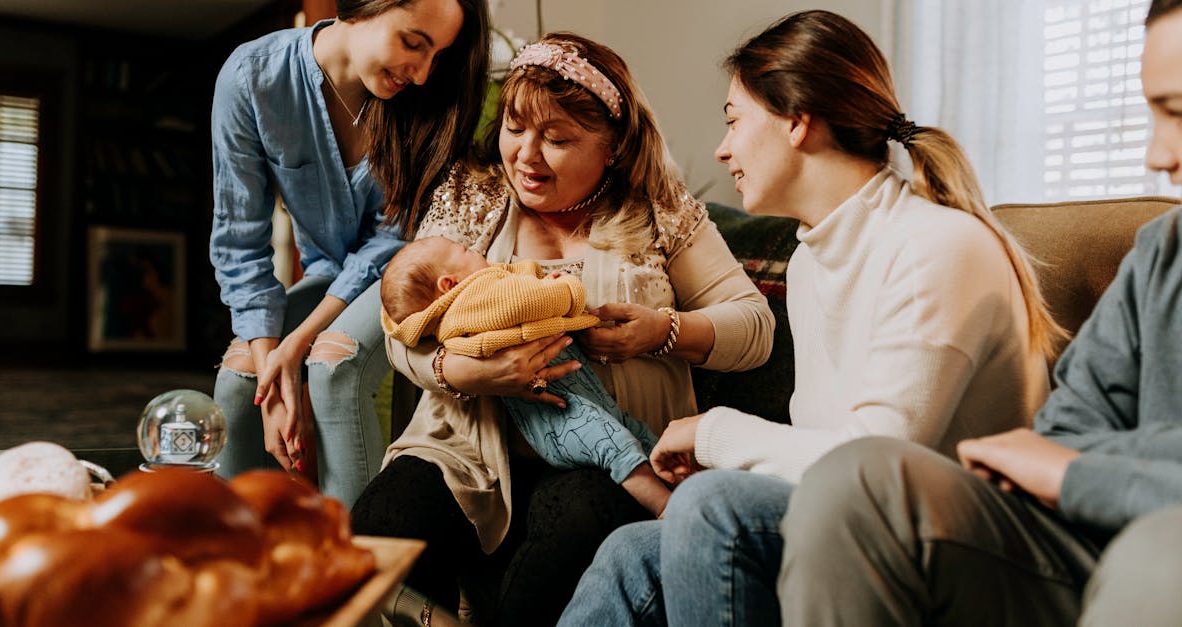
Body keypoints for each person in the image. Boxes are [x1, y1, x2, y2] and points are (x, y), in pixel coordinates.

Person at [560, 9, 1064, 626]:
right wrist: (733, 460)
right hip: (860, 524)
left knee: (713, 506)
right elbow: (823, 458)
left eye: (734, 120)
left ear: (797, 121)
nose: (722, 149)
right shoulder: (809, 263)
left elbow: (875, 465)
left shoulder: (939, 247)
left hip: (971, 552)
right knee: (631, 551)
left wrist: (717, 435)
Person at [349, 32, 775, 626]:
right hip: (468, 452)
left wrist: (661, 331)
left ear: (612, 147)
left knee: (580, 515)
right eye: (516, 128)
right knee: (386, 518)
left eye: (556, 139)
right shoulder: (472, 197)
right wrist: (469, 370)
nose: (526, 154)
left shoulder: (657, 207)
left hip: (605, 455)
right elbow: (404, 324)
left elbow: (755, 328)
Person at [778, 2, 1182, 625]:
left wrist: (1088, 474)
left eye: (1176, 112)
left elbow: (1065, 465)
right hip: (1086, 544)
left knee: (1162, 556)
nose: (1157, 154)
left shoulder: (938, 245)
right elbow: (1058, 437)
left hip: (1153, 558)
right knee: (855, 480)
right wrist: (1113, 466)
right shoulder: (1164, 252)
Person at [208, 0, 490, 507]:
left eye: (436, 56)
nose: (423, 74)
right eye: (412, 43)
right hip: (332, 275)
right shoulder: (251, 79)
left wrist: (297, 345)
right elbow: (239, 241)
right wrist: (272, 363)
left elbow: (392, 241)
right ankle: (244, 563)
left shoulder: (426, 105)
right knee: (238, 383)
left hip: (414, 273)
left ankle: (359, 566)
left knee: (333, 368)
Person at [380, 235, 671, 516]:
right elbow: (523, 303)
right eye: (464, 250)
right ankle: (665, 509)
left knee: (637, 434)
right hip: (560, 416)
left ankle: (684, 487)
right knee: (615, 446)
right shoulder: (473, 300)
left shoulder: (472, 299)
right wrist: (564, 291)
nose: (473, 248)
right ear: (449, 284)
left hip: (581, 400)